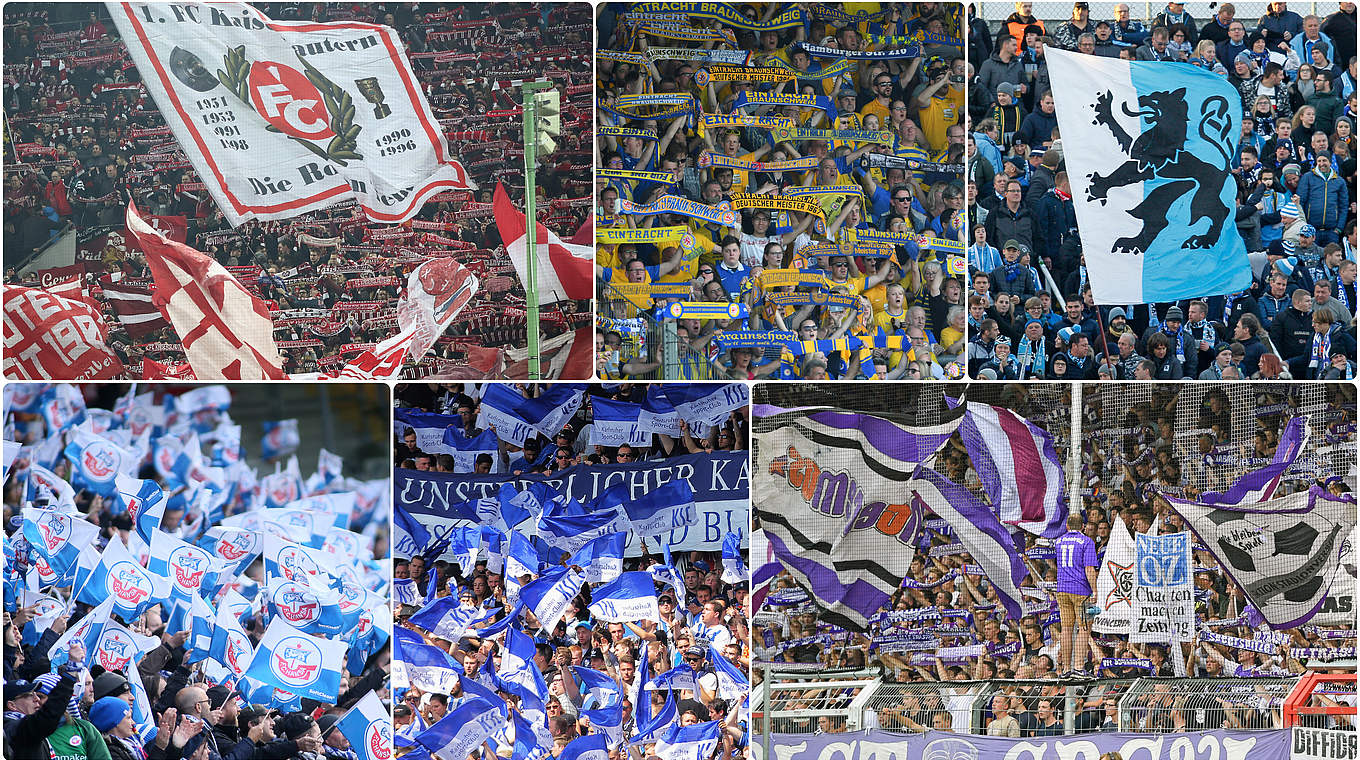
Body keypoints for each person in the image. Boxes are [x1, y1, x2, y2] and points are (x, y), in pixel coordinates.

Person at [1055, 514, 1098, 678]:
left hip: (1062, 590)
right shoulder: (1087, 542)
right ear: (1083, 526)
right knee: (1084, 629)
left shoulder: (1058, 542)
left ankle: (1066, 669)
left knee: (1065, 629)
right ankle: (1079, 668)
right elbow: (1089, 569)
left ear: (1067, 526)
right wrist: (1095, 590)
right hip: (1081, 591)